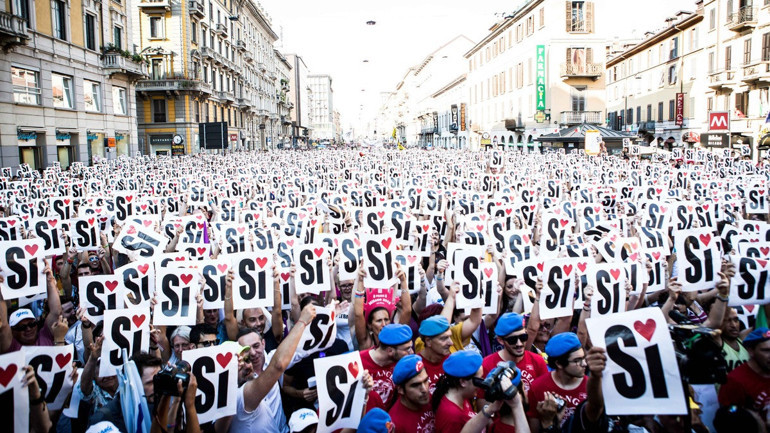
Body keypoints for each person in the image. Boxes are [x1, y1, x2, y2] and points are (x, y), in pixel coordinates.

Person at [229, 303, 316, 433]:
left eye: (256, 346)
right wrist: (302, 321)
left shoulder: (271, 357)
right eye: (246, 349)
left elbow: (303, 348)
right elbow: (278, 365)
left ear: (263, 343)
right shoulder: (239, 384)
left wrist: (328, 317)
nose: (253, 353)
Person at [432, 350, 513, 433]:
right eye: (479, 380)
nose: (482, 383)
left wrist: (491, 408)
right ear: (463, 382)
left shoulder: (462, 396)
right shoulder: (452, 416)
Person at [526, 333, 588, 432]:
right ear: (559, 363)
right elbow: (533, 429)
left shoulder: (591, 387)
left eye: (584, 358)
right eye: (577, 360)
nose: (584, 364)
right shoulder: (538, 387)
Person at [482, 312, 547, 394]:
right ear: (500, 340)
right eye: (512, 340)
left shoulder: (538, 361)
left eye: (523, 337)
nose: (519, 344)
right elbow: (483, 405)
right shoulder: (487, 364)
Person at [718, 327, 770, 418]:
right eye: (766, 351)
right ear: (751, 351)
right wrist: (746, 414)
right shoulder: (735, 381)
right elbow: (727, 412)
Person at [360, 323, 414, 409]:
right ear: (390, 351)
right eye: (407, 349)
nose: (412, 352)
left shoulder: (401, 363)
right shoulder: (359, 362)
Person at [388, 354, 435, 433]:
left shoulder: (433, 399)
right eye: (416, 385)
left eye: (426, 380)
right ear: (401, 389)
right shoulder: (396, 424)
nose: (425, 389)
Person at [417, 315, 454, 393]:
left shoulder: (453, 362)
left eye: (450, 337)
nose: (451, 343)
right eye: (444, 338)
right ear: (428, 341)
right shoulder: (415, 366)